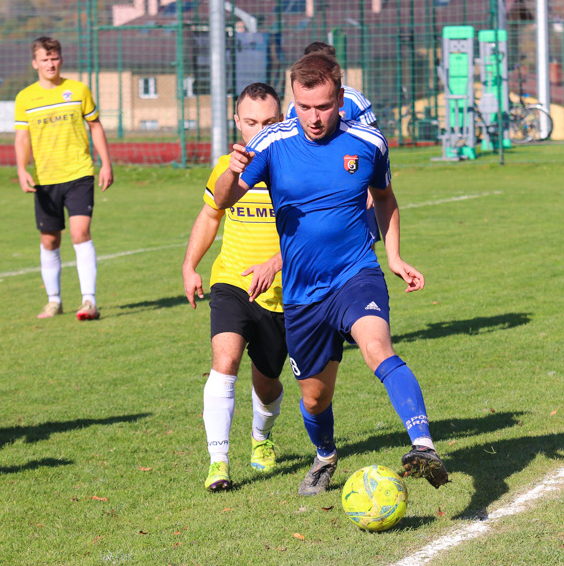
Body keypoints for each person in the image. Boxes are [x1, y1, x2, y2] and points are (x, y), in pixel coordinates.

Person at [213, 53, 449, 497]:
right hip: (302, 295)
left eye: (322, 106)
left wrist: (394, 257)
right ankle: (325, 455)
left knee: (377, 347)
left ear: (340, 99)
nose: (314, 117)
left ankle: (423, 445)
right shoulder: (271, 143)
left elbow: (384, 198)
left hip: (356, 273)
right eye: (304, 107)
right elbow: (222, 200)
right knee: (314, 399)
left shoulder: (368, 142)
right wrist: (232, 171)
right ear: (292, 101)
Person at [182, 83, 287, 491]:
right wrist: (190, 266)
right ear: (237, 122)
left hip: (284, 293)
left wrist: (277, 265)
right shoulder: (228, 165)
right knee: (224, 364)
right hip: (232, 283)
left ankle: (261, 437)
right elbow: (211, 215)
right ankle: (218, 463)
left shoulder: (296, 166)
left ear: (283, 121)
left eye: (269, 122)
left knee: (268, 380)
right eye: (251, 122)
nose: (259, 130)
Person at [14, 37, 113, 320]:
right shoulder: (25, 98)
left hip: (79, 173)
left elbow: (95, 126)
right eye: (44, 59)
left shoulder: (78, 90)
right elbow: (22, 138)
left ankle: (89, 301)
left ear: (61, 59)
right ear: (35, 63)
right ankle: (54, 300)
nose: (50, 63)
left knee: (80, 233)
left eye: (54, 57)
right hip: (45, 178)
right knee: (49, 241)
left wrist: (105, 163)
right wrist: (22, 169)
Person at [286, 42, 380, 248]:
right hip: (311, 184)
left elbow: (374, 144)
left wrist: (372, 187)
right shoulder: (295, 106)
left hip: (352, 181)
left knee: (363, 241)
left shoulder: (354, 98)